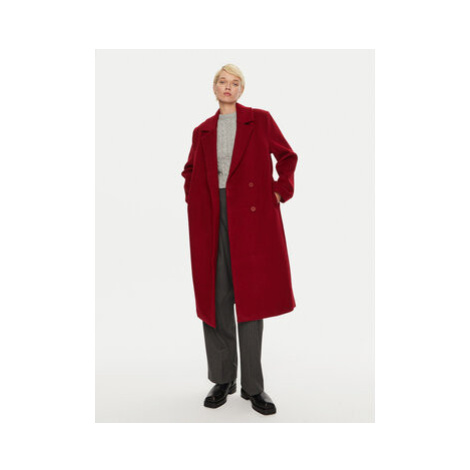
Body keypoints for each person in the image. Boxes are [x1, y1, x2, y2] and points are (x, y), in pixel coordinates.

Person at [181, 64, 298, 416]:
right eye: (222, 81)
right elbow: (189, 170)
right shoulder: (203, 130)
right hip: (211, 216)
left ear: (242, 89)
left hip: (250, 216)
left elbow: (287, 156)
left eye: (234, 83)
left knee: (251, 300)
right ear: (214, 87)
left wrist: (279, 190)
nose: (228, 87)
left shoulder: (260, 120)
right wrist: (194, 198)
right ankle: (222, 379)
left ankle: (253, 386)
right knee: (216, 298)